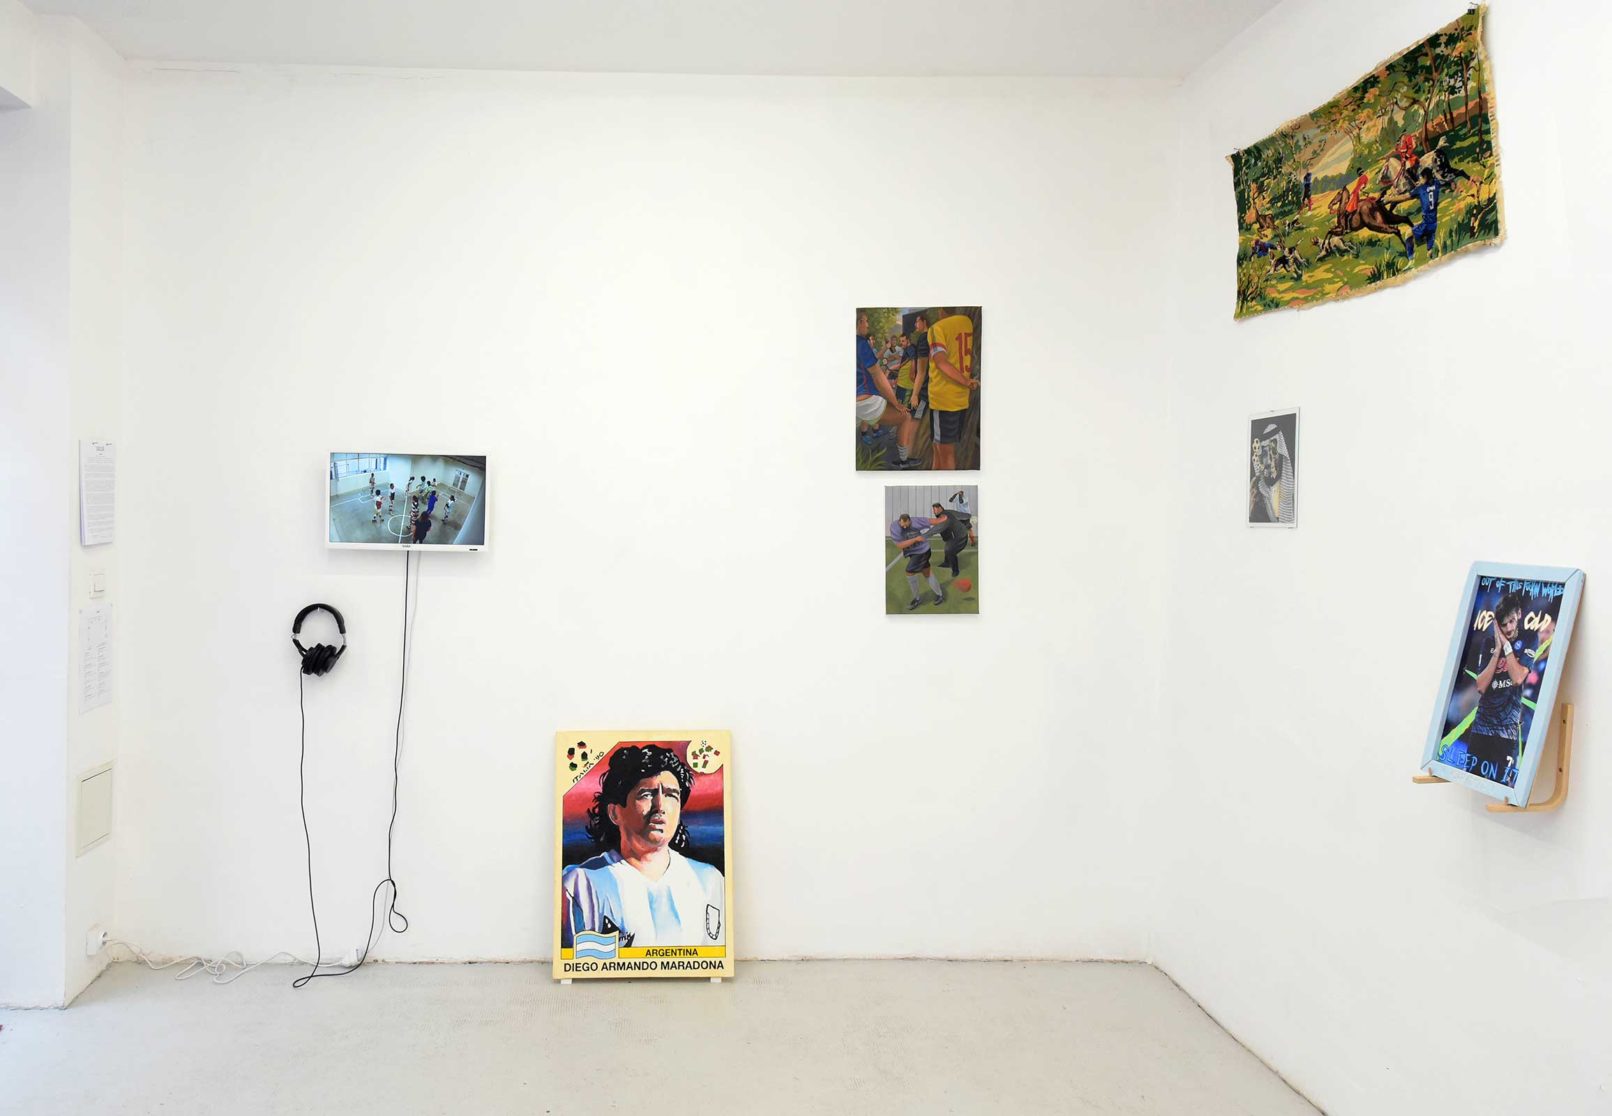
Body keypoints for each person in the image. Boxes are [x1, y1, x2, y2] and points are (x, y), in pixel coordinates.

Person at [560, 745, 725, 949]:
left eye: (671, 795)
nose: (660, 806)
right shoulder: (580, 884)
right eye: (646, 794)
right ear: (614, 813)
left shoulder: (709, 880)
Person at [1465, 591, 1531, 783]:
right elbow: (1481, 686)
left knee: (1501, 785)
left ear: (1519, 614)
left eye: (1512, 621)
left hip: (1507, 731)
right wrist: (1498, 649)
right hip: (1482, 727)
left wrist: (1507, 647)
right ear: (1497, 625)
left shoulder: (1529, 640)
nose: (1508, 628)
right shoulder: (1488, 643)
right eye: (1503, 624)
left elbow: (1518, 678)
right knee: (1472, 780)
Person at [855, 312, 920, 468]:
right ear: (858, 322)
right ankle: (903, 461)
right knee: (905, 416)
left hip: (858, 398)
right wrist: (895, 403)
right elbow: (878, 376)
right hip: (864, 399)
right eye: (865, 321)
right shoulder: (861, 343)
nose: (867, 325)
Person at [922, 309, 980, 471]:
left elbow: (941, 361)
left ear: (941, 310)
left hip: (943, 400)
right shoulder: (966, 322)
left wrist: (966, 381)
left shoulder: (937, 328)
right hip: (960, 398)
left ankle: (947, 486)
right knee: (938, 449)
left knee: (945, 454)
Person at [890, 512, 944, 610]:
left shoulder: (916, 521)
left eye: (907, 525)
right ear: (899, 521)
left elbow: (932, 521)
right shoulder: (894, 527)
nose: (905, 527)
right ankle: (940, 595)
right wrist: (915, 539)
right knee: (927, 573)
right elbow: (900, 545)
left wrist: (945, 518)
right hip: (913, 553)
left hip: (922, 551)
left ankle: (917, 599)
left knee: (909, 572)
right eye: (903, 525)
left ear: (910, 521)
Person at [1248, 423, 1294, 525]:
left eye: (1273, 452)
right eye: (1265, 453)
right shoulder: (1255, 492)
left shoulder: (1293, 490)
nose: (1269, 460)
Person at [1405, 166, 1443, 262]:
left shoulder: (1421, 189)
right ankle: (1433, 258)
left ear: (1425, 177)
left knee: (1408, 233)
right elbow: (1440, 180)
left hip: (1426, 223)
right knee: (1429, 250)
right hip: (1434, 223)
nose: (1420, 179)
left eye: (1421, 178)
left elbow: (1405, 197)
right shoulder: (1436, 184)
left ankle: (1411, 259)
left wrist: (1389, 199)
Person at [929, 502, 976, 578]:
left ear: (940, 508)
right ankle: (947, 563)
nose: (934, 512)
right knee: (947, 547)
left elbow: (960, 515)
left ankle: (955, 570)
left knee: (951, 551)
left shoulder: (948, 513)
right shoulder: (941, 517)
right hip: (954, 536)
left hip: (961, 536)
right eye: (933, 510)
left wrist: (970, 517)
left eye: (935, 510)